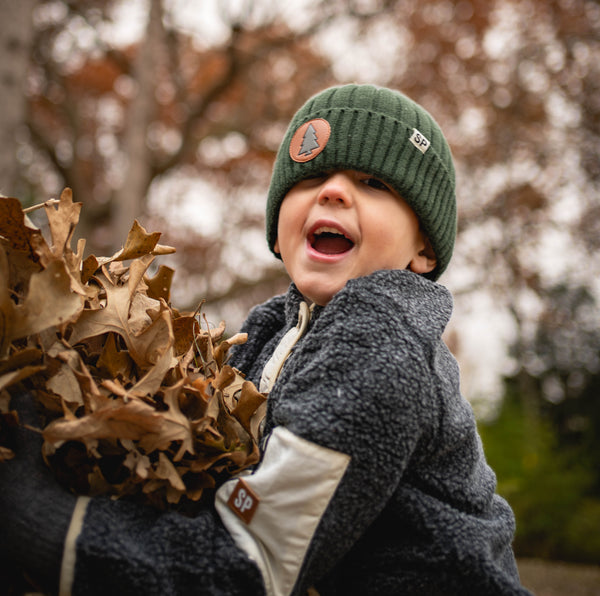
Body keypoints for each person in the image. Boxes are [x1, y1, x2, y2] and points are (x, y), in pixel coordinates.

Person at [0, 84, 532, 596]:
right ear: (278, 230)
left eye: (374, 183)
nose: (333, 190)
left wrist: (42, 520)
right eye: (311, 177)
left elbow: (249, 566)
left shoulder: (381, 343)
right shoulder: (267, 332)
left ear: (424, 252)